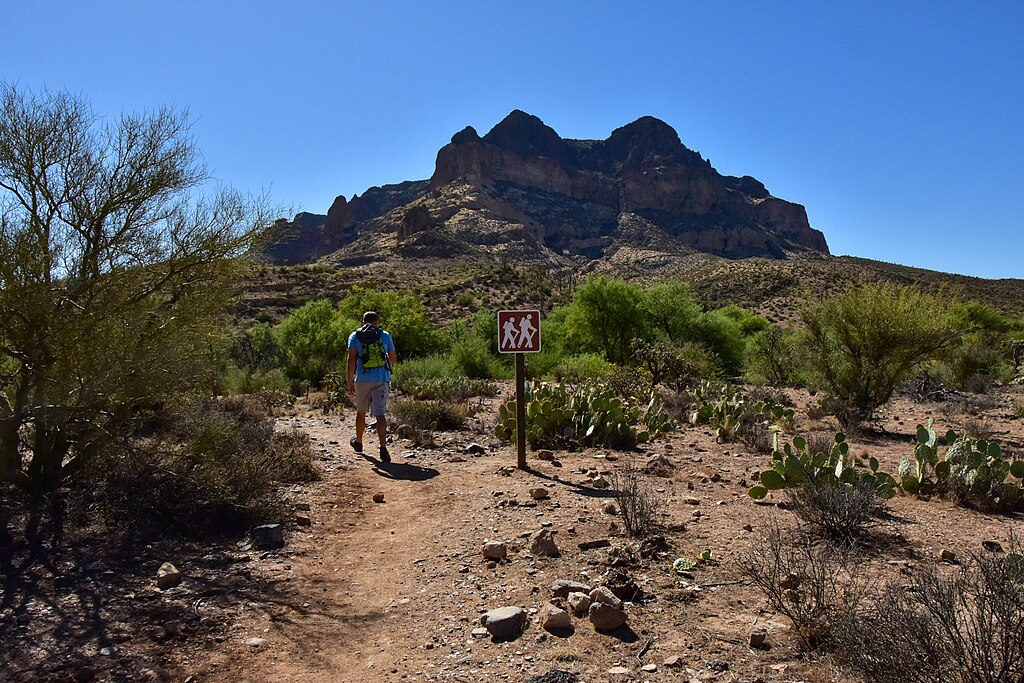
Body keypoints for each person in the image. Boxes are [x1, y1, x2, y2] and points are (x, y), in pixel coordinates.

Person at [347, 311, 398, 462]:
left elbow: (351, 360)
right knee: (380, 414)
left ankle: (359, 442)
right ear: (376, 321)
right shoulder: (385, 335)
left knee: (361, 411)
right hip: (381, 379)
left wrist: (349, 381)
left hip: (362, 379)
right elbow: (394, 359)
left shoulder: (354, 336)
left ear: (363, 321)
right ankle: (383, 448)